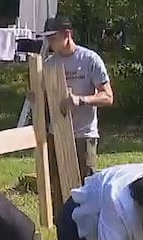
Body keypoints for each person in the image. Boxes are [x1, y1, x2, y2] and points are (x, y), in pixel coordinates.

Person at [42, 15, 113, 184]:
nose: (49, 42)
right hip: (57, 134)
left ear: (67, 34)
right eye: (47, 38)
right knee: (57, 187)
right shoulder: (48, 64)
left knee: (85, 187)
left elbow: (108, 97)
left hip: (83, 136)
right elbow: (43, 99)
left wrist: (81, 100)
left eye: (53, 37)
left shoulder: (89, 60)